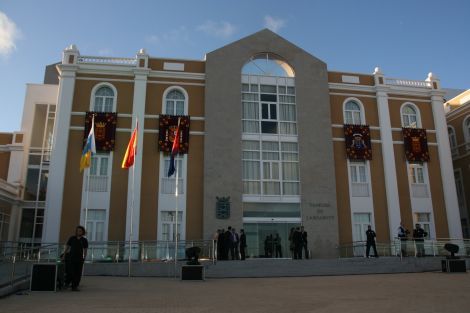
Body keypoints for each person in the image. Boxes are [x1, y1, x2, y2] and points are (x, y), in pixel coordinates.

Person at [64, 226, 88, 291]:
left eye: (80, 231)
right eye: (77, 230)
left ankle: (75, 286)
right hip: (71, 258)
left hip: (79, 258)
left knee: (78, 273)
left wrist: (84, 257)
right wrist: (64, 254)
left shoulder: (84, 240)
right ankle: (67, 283)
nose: (79, 232)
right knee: (70, 271)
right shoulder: (72, 238)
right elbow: (67, 247)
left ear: (83, 232)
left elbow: (85, 250)